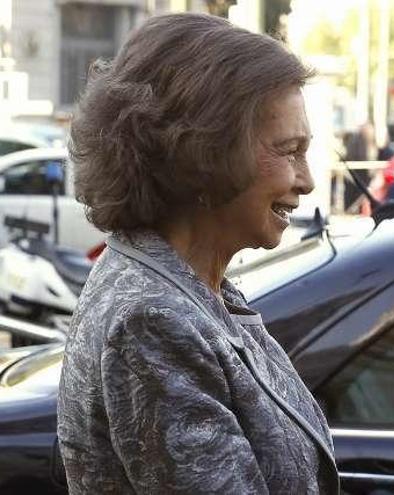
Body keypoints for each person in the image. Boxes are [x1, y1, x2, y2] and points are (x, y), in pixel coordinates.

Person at [56, 13, 339, 494]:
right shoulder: (153, 320)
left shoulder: (187, 287)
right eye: (289, 150)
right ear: (203, 157)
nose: (306, 180)